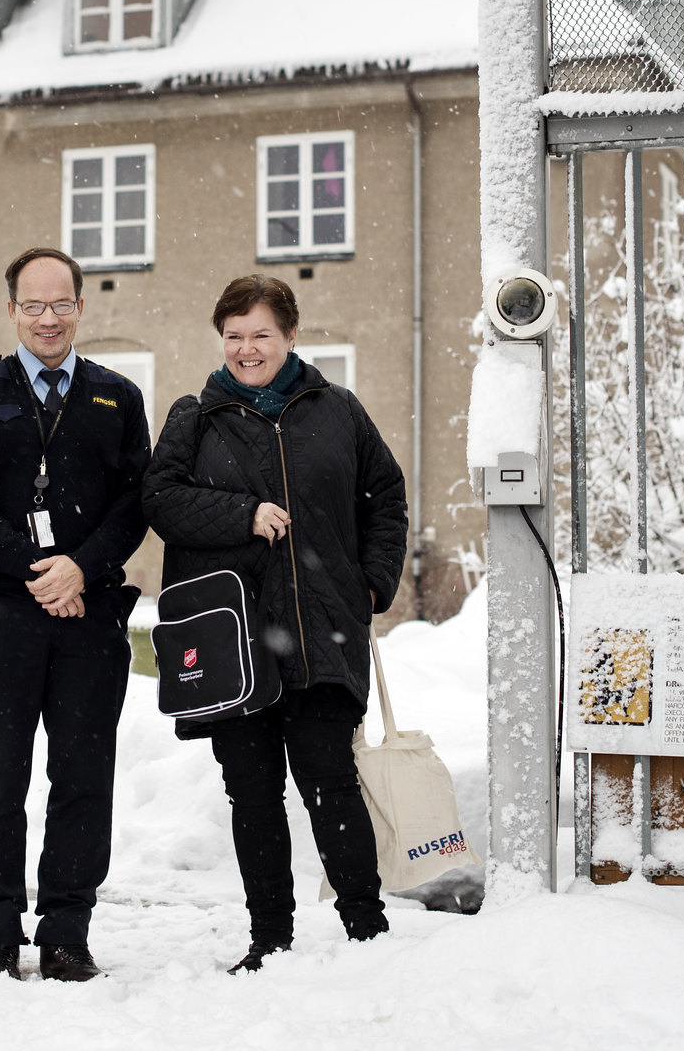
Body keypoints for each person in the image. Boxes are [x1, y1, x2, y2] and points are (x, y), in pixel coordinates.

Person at [141, 274, 408, 973]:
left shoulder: (338, 410)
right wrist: (241, 514)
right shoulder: (194, 418)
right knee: (252, 791)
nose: (246, 348)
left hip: (323, 630)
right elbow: (161, 500)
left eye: (260, 333)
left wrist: (372, 582)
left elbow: (385, 497)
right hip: (236, 640)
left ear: (290, 335)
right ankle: (270, 938)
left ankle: (366, 926)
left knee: (330, 777)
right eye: (233, 336)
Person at [0, 247, 150, 982]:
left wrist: (79, 567)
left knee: (83, 774)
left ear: (81, 307)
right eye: (34, 304)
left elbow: (133, 504)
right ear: (12, 310)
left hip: (88, 613)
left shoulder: (117, 397)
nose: (48, 317)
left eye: (62, 303)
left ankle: (66, 930)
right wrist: (36, 570)